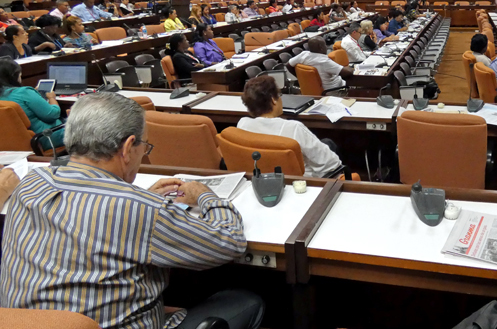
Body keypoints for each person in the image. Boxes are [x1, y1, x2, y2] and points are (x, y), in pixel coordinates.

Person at [0, 92, 265, 329]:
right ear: (127, 148)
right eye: (144, 147)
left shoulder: (31, 183)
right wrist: (206, 195)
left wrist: (142, 199)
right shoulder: (139, 209)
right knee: (245, 301)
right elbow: (229, 242)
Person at [237, 76, 342, 177]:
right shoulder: (293, 128)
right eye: (279, 95)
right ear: (273, 100)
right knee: (328, 144)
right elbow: (332, 164)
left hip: (259, 179)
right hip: (301, 183)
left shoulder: (242, 125)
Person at [0, 58, 64, 150]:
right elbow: (53, 114)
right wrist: (51, 98)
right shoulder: (24, 92)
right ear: (14, 76)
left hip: (13, 143)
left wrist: (34, 95)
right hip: (46, 138)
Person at [289, 36, 353, 90]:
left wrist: (300, 78)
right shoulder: (324, 61)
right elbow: (347, 73)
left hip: (319, 89)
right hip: (337, 90)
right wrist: (352, 68)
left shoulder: (303, 54)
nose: (327, 47)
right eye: (325, 45)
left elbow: (288, 64)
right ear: (321, 47)